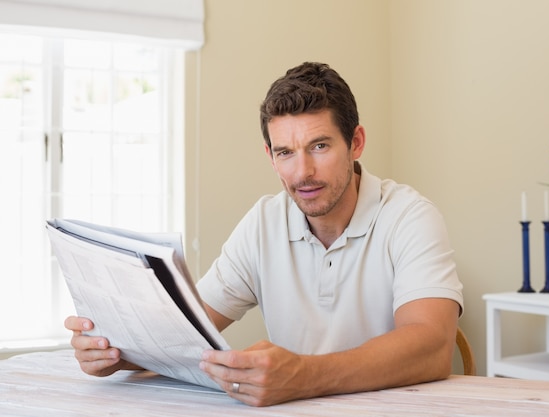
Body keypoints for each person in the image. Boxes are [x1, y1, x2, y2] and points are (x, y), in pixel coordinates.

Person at [65, 62, 464, 407]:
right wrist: (119, 353)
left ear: (355, 142)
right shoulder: (263, 223)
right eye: (285, 152)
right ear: (270, 156)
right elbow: (186, 331)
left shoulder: (410, 216)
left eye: (319, 146)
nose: (302, 172)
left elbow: (431, 346)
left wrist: (305, 376)